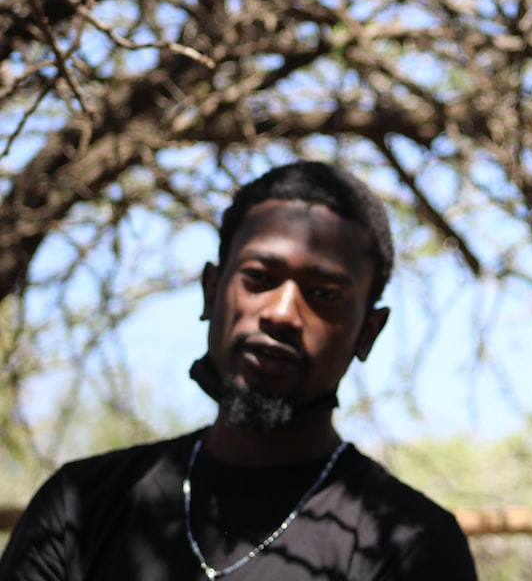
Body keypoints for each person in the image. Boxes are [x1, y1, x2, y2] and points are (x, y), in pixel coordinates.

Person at [0, 161, 478, 580]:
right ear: (211, 291)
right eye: (258, 278)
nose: (282, 313)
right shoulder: (81, 505)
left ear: (368, 332)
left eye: (323, 294)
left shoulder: (411, 544)